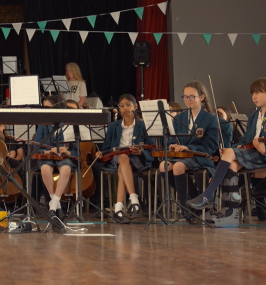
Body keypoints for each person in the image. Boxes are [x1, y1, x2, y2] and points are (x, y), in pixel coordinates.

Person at [187, 78, 266, 222]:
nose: (254, 96)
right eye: (252, 93)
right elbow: (246, 140)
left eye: (258, 92)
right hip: (255, 154)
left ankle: (208, 195)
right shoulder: (254, 115)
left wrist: (264, 149)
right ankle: (230, 214)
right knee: (232, 164)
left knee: (230, 157)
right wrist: (232, 148)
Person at [159, 81, 220, 223]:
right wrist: (173, 145)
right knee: (164, 166)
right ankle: (193, 199)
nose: (188, 100)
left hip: (201, 155)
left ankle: (184, 207)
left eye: (192, 97)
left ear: (202, 97)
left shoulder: (210, 119)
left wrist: (190, 148)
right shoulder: (179, 118)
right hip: (182, 156)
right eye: (185, 97)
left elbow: (211, 145)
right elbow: (172, 139)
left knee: (179, 166)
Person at [94, 94, 152, 222]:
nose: (125, 108)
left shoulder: (143, 125)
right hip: (117, 158)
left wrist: (140, 152)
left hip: (136, 159)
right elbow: (106, 148)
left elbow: (151, 147)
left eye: (128, 105)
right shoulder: (114, 126)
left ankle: (119, 209)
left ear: (135, 106)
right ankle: (134, 200)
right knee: (123, 158)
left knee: (122, 170)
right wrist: (100, 153)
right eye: (121, 106)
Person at [35, 98, 80, 222]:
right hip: (48, 156)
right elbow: (36, 146)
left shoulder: (70, 124)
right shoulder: (43, 124)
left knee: (66, 169)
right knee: (44, 168)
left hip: (64, 157)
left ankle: (53, 204)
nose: (46, 110)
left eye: (48, 107)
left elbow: (76, 149)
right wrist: (49, 151)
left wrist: (68, 151)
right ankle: (57, 206)